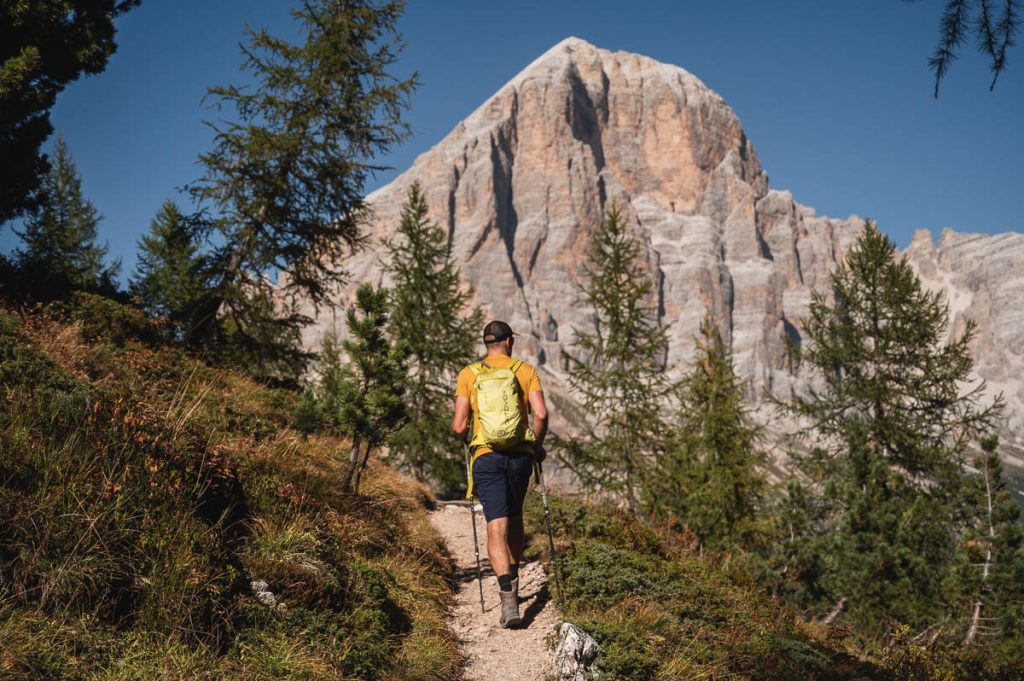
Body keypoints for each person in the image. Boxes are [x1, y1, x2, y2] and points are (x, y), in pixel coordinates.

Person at [452, 320, 548, 628]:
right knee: (516, 517)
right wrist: (536, 446)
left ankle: (507, 597)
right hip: (519, 456)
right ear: (508, 341)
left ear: (486, 343)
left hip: (487, 456)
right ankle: (515, 575)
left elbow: (459, 425)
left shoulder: (469, 374)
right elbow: (541, 414)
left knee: (497, 523)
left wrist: (468, 437)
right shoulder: (524, 370)